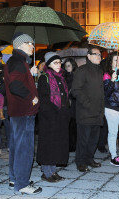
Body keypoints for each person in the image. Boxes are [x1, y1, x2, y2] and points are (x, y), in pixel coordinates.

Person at [4, 32, 42, 194]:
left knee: (16, 147)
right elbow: (15, 86)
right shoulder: (18, 62)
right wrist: (31, 97)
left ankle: (15, 179)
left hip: (18, 112)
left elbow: (17, 81)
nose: (33, 46)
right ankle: (22, 184)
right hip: (24, 111)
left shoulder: (17, 62)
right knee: (24, 149)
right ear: (19, 45)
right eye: (29, 43)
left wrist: (30, 74)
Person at [36, 52, 69, 183]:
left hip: (60, 116)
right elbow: (44, 99)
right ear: (48, 64)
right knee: (48, 145)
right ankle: (46, 172)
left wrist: (66, 111)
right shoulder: (45, 77)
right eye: (55, 62)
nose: (58, 64)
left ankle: (53, 171)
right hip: (49, 117)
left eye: (59, 62)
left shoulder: (61, 77)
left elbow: (64, 97)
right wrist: (53, 112)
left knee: (56, 145)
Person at [71, 47, 104, 172]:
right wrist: (87, 103)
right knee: (83, 139)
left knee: (93, 138)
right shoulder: (82, 70)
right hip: (86, 111)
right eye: (96, 54)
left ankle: (89, 158)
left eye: (100, 55)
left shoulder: (100, 70)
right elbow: (76, 90)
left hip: (98, 111)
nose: (99, 57)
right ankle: (80, 161)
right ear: (89, 56)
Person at [63, 58, 78, 152]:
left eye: (69, 65)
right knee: (68, 125)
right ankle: (69, 145)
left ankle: (75, 144)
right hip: (67, 103)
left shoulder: (76, 76)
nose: (67, 67)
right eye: (66, 66)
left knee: (75, 125)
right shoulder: (63, 76)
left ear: (73, 65)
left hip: (75, 103)